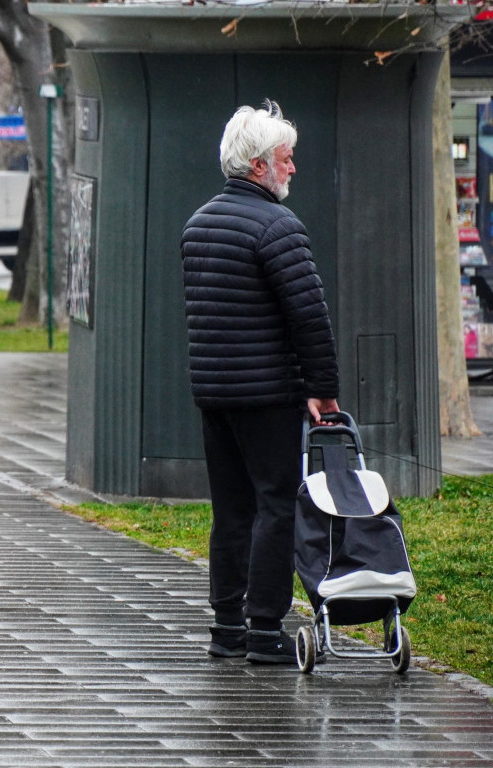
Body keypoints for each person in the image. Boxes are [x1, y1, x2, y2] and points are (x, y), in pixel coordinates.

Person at [180, 100, 340, 665]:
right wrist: (321, 388)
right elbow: (309, 316)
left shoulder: (198, 223)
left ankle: (227, 628)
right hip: (268, 394)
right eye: (286, 158)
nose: (293, 168)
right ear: (257, 166)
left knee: (231, 509)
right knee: (277, 505)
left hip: (215, 394)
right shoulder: (278, 227)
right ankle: (267, 630)